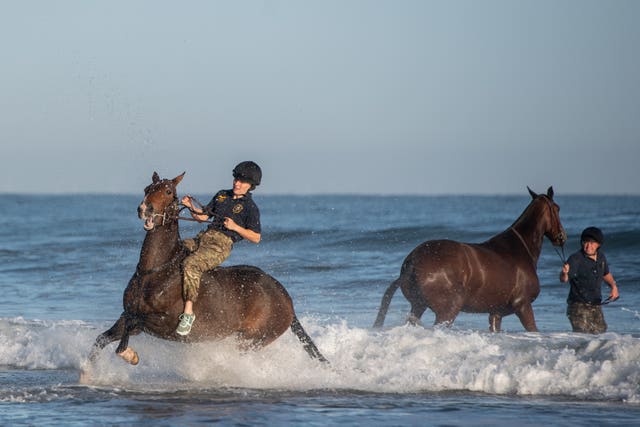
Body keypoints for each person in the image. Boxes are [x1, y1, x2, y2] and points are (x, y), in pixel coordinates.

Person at [176, 161, 262, 336]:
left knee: (191, 264)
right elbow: (203, 217)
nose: (237, 183)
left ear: (250, 186)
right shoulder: (222, 195)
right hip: (203, 238)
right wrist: (190, 206)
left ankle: (188, 313)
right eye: (236, 179)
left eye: (242, 182)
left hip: (221, 245)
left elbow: (256, 237)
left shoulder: (250, 207)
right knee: (175, 249)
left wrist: (235, 227)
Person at [559, 226, 619, 334]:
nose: (588, 246)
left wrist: (613, 287)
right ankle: (572, 352)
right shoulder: (575, 259)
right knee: (583, 337)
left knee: (601, 335)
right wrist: (564, 273)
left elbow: (606, 274)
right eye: (585, 242)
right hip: (578, 306)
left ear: (598, 244)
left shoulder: (601, 257)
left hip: (596, 305)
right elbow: (564, 279)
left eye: (592, 243)